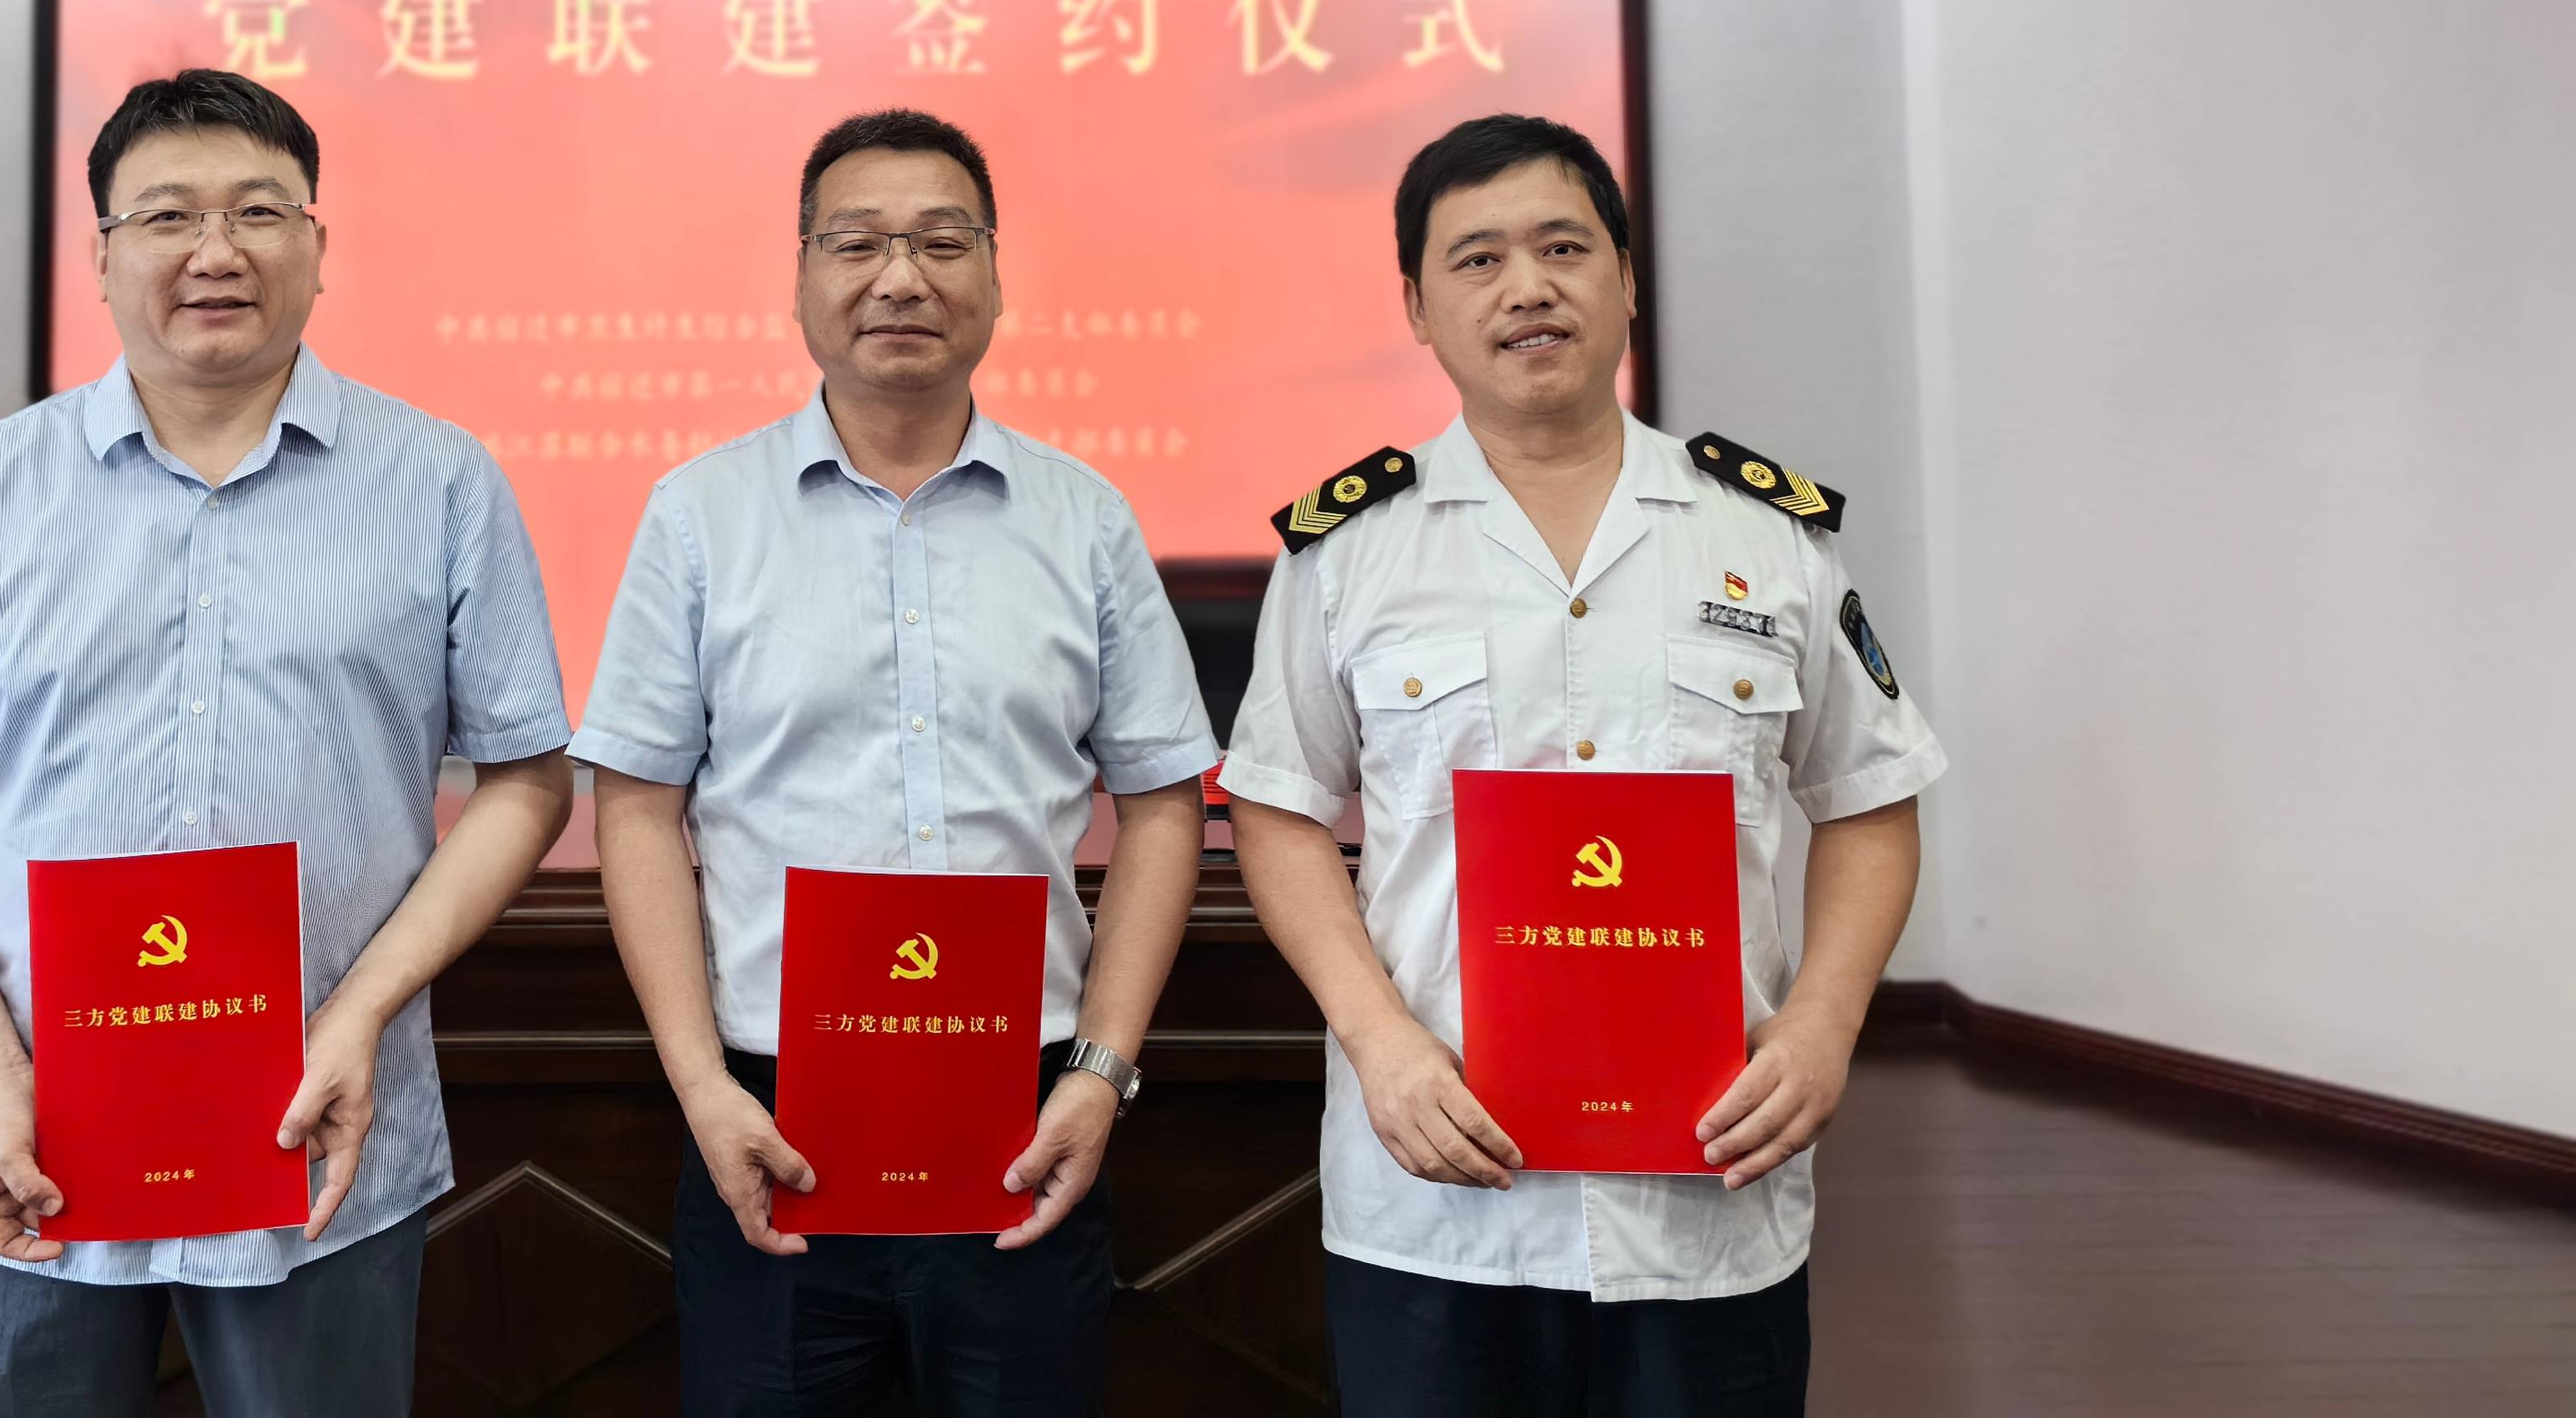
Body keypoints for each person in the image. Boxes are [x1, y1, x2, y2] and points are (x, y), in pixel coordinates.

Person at [0, 67, 573, 1416]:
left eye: (258, 212)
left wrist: (361, 1014)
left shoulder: (442, 483)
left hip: (319, 1131)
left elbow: (527, 780)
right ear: (102, 257)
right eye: (168, 216)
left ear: (319, 246)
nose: (216, 252)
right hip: (29, 1132)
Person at [1220, 113, 1943, 1417]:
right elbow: (1276, 812)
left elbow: (1870, 801)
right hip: (1441, 1198)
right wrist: (1379, 1041)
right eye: (1478, 259)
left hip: (1708, 1187)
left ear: (1625, 279)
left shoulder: (1767, 535)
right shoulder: (1348, 551)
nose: (1527, 288)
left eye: (1563, 248)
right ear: (1418, 308)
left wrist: (1826, 1024)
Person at [572, 108, 1218, 1416]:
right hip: (770, 1115)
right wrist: (701, 1088)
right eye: (857, 243)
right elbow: (636, 809)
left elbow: (1163, 806)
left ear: (996, 275)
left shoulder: (1085, 518)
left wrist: (1100, 1073)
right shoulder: (701, 515)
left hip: (1027, 1111)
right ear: (802, 276)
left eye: (942, 242)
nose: (901, 278)